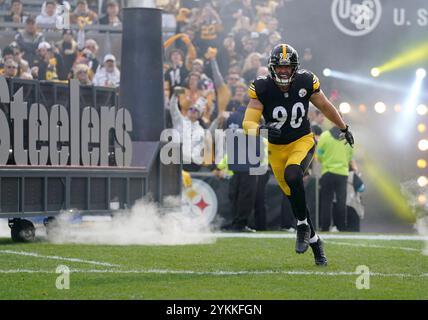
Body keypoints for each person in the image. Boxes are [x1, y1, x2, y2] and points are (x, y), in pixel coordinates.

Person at [242, 43, 354, 266]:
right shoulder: (262, 87)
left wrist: (344, 127)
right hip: (276, 149)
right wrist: (262, 129)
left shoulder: (305, 81)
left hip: (302, 140)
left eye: (287, 67)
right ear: (272, 67)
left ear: (294, 67)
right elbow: (248, 122)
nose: (284, 71)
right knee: (295, 199)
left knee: (294, 175)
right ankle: (315, 242)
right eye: (280, 67)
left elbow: (325, 106)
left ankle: (302, 225)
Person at [317, 124, 354, 232]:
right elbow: (350, 155)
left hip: (327, 171)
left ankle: (325, 227)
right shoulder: (348, 136)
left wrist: (325, 160)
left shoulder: (325, 136)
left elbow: (319, 153)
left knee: (326, 202)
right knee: (341, 202)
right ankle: (341, 227)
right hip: (342, 172)